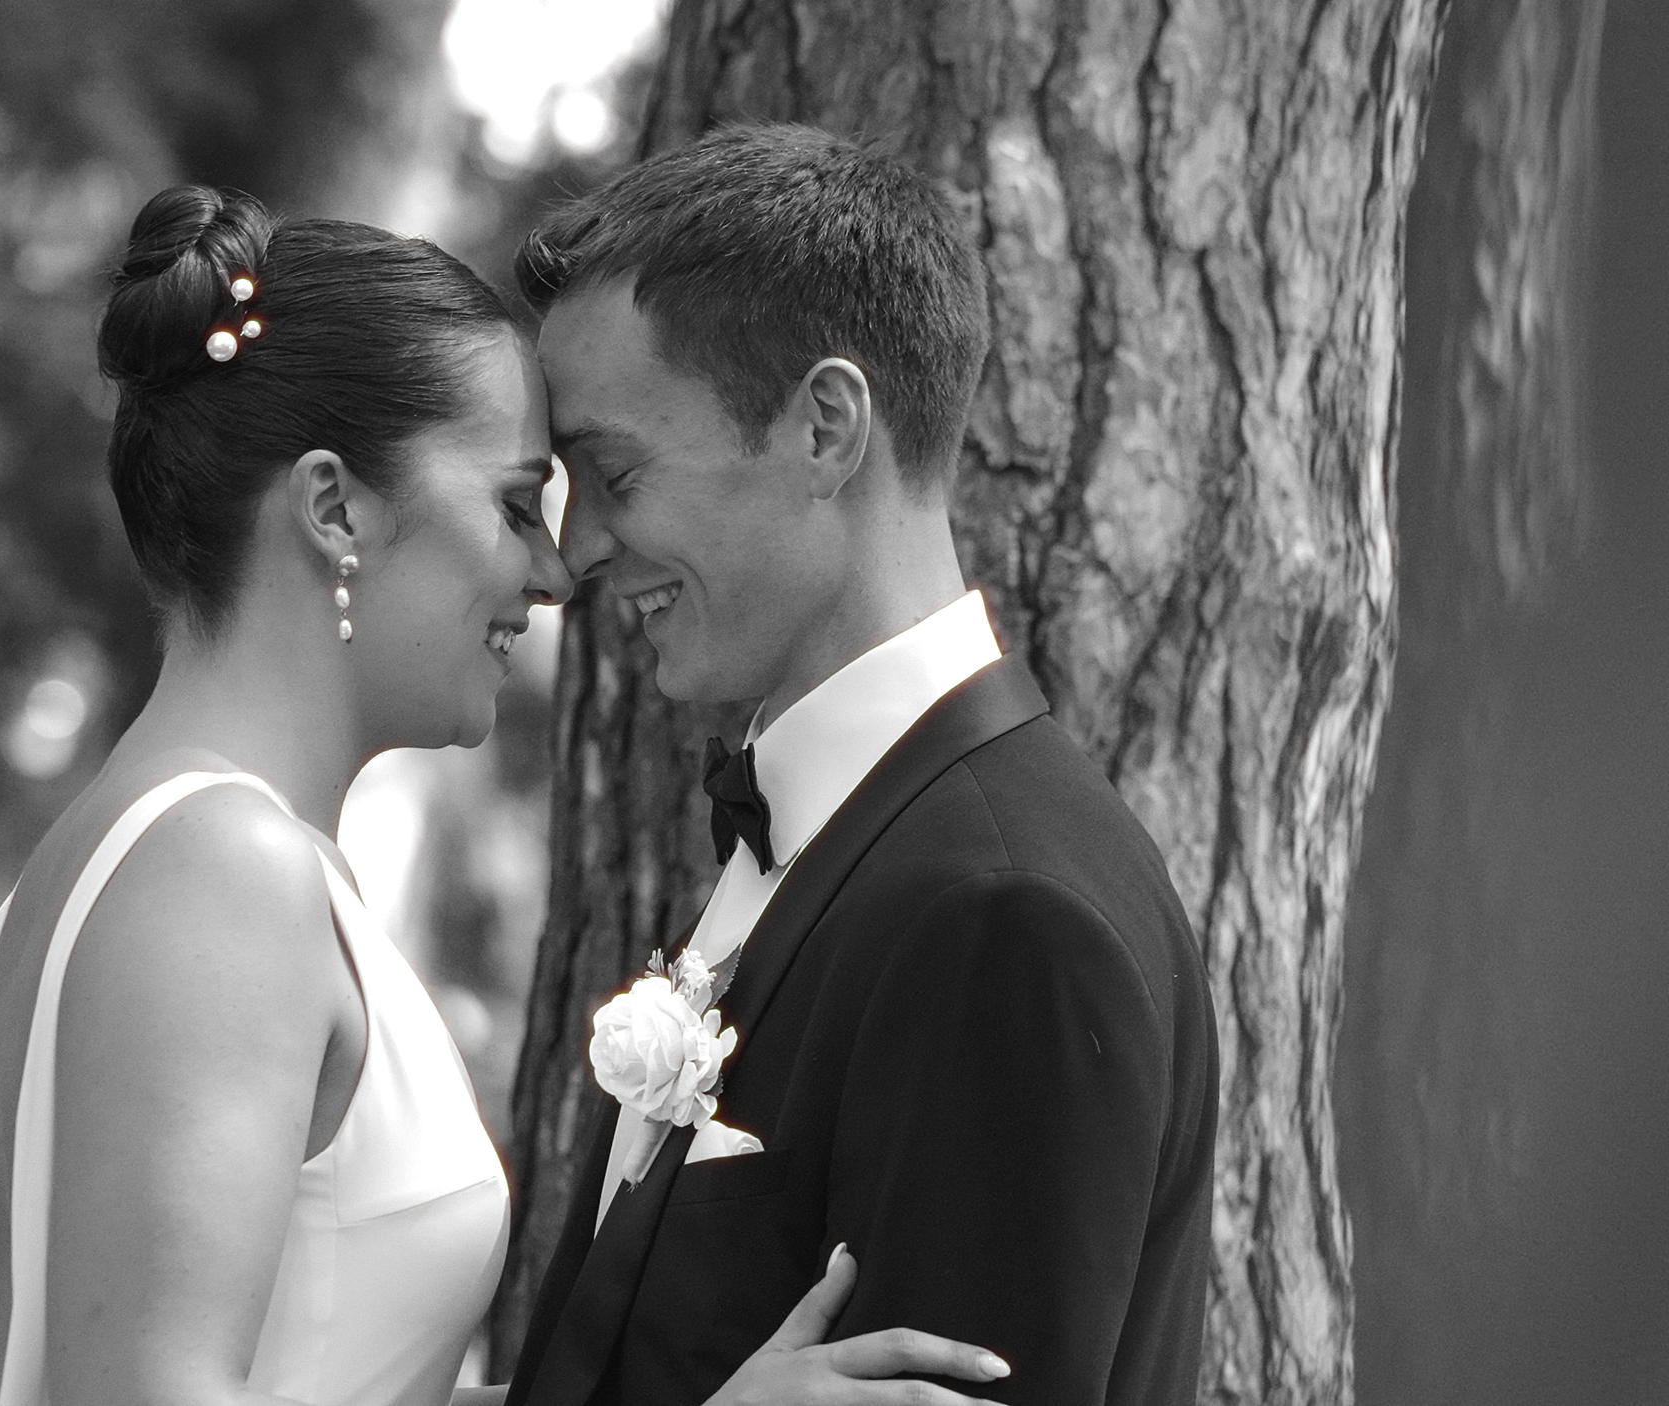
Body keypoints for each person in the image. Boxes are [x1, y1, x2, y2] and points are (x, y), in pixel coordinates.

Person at [0, 185, 1012, 1406]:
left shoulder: (149, 849)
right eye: (513, 504)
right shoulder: (220, 873)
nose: (556, 571)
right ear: (334, 507)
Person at [501, 125, 1222, 1406]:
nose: (580, 548)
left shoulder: (1005, 917)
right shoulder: (838, 833)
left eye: (612, 472)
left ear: (825, 427)